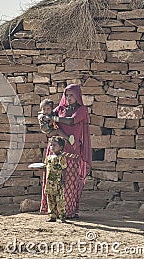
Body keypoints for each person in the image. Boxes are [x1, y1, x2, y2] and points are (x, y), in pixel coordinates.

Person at [40, 84, 92, 219]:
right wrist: (44, 118)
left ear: (77, 96)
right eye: (67, 95)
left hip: (72, 150)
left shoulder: (82, 110)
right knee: (52, 178)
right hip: (56, 147)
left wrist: (54, 118)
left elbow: (71, 121)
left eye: (71, 95)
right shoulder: (60, 109)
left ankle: (68, 211)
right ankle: (52, 211)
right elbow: (48, 114)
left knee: (68, 180)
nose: (68, 98)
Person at [44, 136, 67, 223]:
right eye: (51, 145)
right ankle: (52, 216)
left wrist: (63, 180)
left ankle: (62, 216)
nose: (52, 147)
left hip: (58, 183)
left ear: (61, 147)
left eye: (54, 145)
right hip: (49, 183)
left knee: (60, 200)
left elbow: (64, 169)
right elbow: (46, 167)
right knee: (50, 200)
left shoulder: (61, 157)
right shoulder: (49, 157)